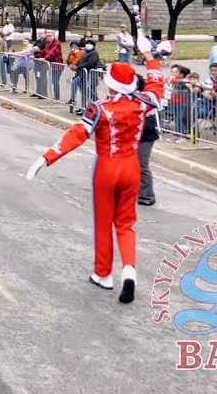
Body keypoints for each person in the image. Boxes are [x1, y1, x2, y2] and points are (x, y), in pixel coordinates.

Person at [25, 37, 164, 304]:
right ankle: (129, 270)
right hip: (132, 166)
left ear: (110, 84)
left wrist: (47, 157)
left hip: (107, 167)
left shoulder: (100, 109)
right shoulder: (143, 102)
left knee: (104, 223)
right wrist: (148, 55)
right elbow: (157, 82)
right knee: (126, 224)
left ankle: (103, 274)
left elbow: (76, 135)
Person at [135, 75, 158, 207]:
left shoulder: (144, 97)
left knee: (142, 164)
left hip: (145, 136)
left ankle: (147, 195)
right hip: (135, 135)